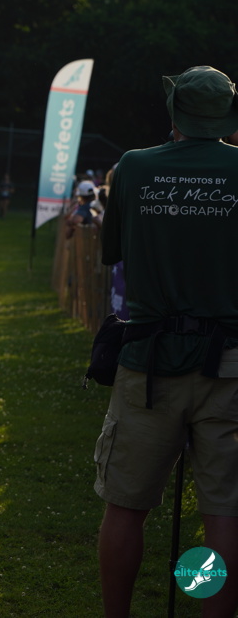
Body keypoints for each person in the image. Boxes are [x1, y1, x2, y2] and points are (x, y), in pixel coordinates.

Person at [95, 65, 238, 618]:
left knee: (126, 506)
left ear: (175, 112)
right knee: (223, 513)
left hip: (149, 362)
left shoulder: (134, 166)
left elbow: (113, 252)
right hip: (228, 364)